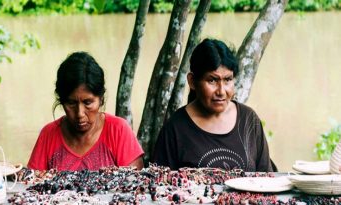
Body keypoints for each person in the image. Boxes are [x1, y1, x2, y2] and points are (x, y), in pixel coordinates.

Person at [152, 38, 276, 172]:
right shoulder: (176, 129)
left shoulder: (248, 120)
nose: (221, 91)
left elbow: (266, 178)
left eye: (228, 79)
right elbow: (161, 185)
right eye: (212, 80)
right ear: (192, 81)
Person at [28, 52, 144, 171]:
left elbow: (137, 183)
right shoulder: (48, 135)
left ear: (101, 99)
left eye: (88, 103)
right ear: (62, 101)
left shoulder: (118, 131)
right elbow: (31, 184)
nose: (80, 113)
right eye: (71, 103)